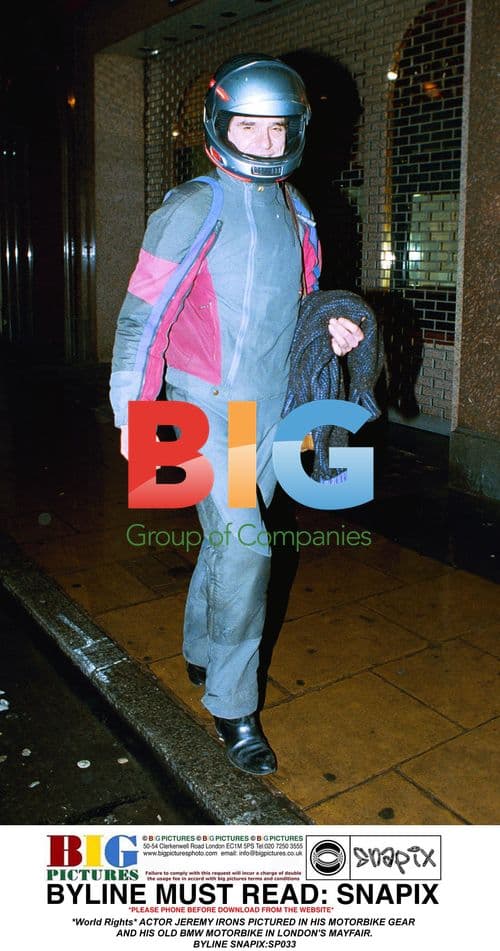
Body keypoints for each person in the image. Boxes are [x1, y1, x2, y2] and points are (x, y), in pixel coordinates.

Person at [110, 54, 363, 776]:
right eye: (247, 125)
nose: (262, 140)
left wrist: (336, 326)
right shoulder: (192, 205)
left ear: (295, 131)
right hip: (202, 406)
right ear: (221, 127)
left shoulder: (299, 210)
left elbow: (307, 305)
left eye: (276, 127)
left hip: (271, 409)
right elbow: (141, 317)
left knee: (231, 543)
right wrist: (133, 409)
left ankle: (200, 647)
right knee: (249, 546)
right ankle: (233, 705)